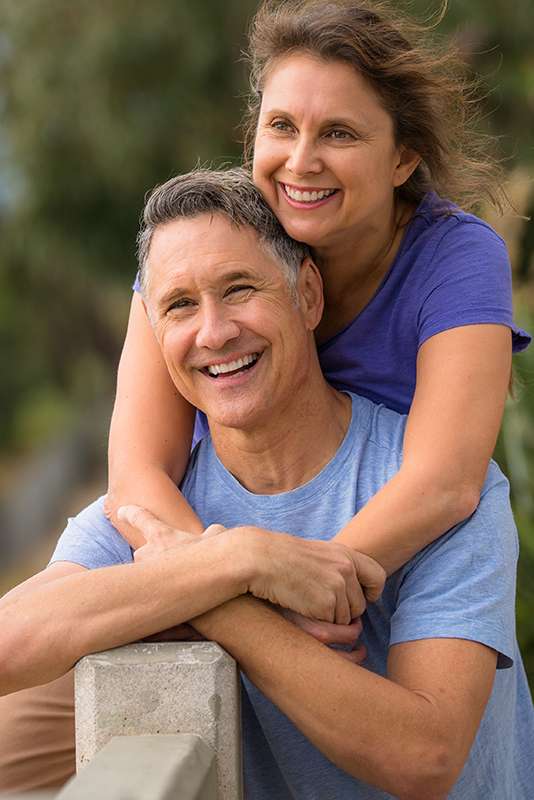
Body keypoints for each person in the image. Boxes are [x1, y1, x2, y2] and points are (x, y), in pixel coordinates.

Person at [0, 0, 531, 792]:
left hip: (369, 536)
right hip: (243, 532)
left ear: (402, 159)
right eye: (281, 128)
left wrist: (286, 592)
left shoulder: (453, 257)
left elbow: (445, 481)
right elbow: (136, 479)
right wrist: (240, 566)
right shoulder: (201, 254)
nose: (302, 161)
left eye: (341, 134)